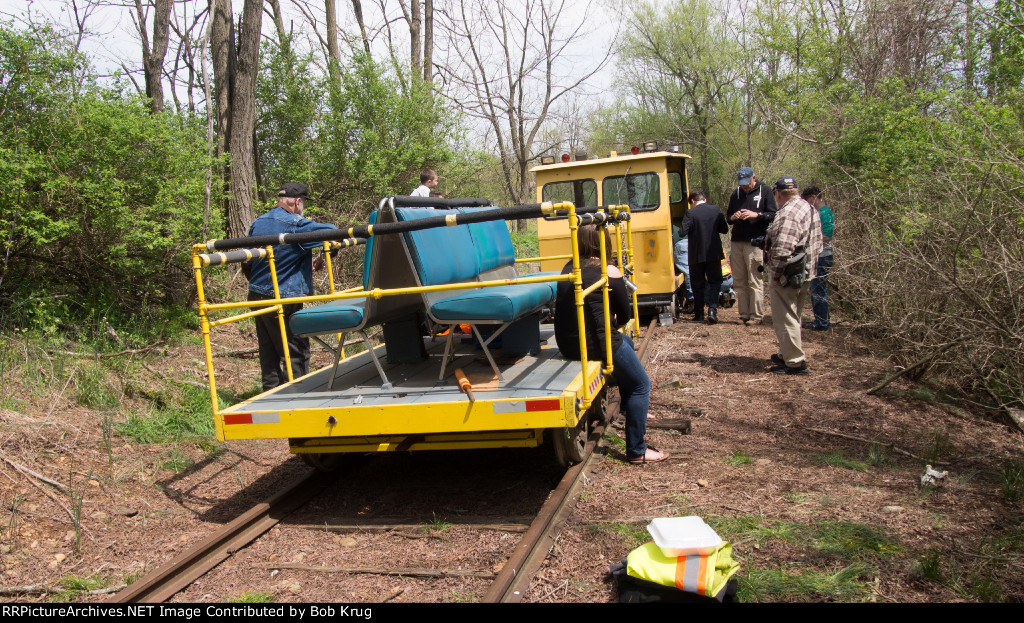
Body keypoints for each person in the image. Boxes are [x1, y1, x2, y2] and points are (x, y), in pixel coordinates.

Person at [554, 225, 669, 464]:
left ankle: (629, 408)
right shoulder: (608, 270)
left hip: (568, 344)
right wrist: (612, 319)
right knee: (641, 385)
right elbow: (625, 315)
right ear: (604, 241)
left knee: (626, 342)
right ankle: (637, 450)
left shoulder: (568, 268)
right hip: (598, 343)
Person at [246, 183, 338, 391]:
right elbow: (333, 231)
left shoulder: (258, 222)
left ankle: (270, 393)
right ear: (297, 202)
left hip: (256, 294)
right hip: (283, 297)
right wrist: (327, 252)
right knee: (296, 350)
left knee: (268, 351)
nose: (303, 207)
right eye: (303, 202)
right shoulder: (296, 225)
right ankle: (298, 394)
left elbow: (247, 262)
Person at [765, 177, 822, 375]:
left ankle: (795, 363)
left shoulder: (788, 213)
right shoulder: (809, 208)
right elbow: (818, 244)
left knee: (785, 319)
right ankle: (786, 353)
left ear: (778, 194)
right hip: (805, 273)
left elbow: (782, 250)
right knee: (793, 316)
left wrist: (775, 275)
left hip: (788, 276)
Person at [726, 167, 778, 325]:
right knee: (739, 280)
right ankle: (744, 313)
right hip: (737, 241)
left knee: (754, 279)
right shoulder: (736, 193)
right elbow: (728, 217)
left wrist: (757, 215)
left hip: (755, 242)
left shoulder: (765, 191)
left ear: (753, 178)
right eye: (741, 183)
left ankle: (756, 315)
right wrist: (734, 217)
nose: (744, 186)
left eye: (746, 183)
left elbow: (773, 215)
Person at [679, 191, 729, 324]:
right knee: (715, 282)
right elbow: (724, 230)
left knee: (697, 285)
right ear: (704, 200)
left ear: (692, 202)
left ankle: (699, 314)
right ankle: (712, 310)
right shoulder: (715, 210)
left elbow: (682, 232)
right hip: (713, 253)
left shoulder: (691, 213)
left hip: (696, 254)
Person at [800, 186, 833, 331]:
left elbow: (827, 235)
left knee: (818, 288)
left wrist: (810, 241)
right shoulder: (820, 212)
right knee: (816, 288)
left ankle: (821, 323)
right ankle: (821, 320)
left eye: (807, 200)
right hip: (819, 254)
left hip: (823, 255)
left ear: (813, 196)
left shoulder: (824, 212)